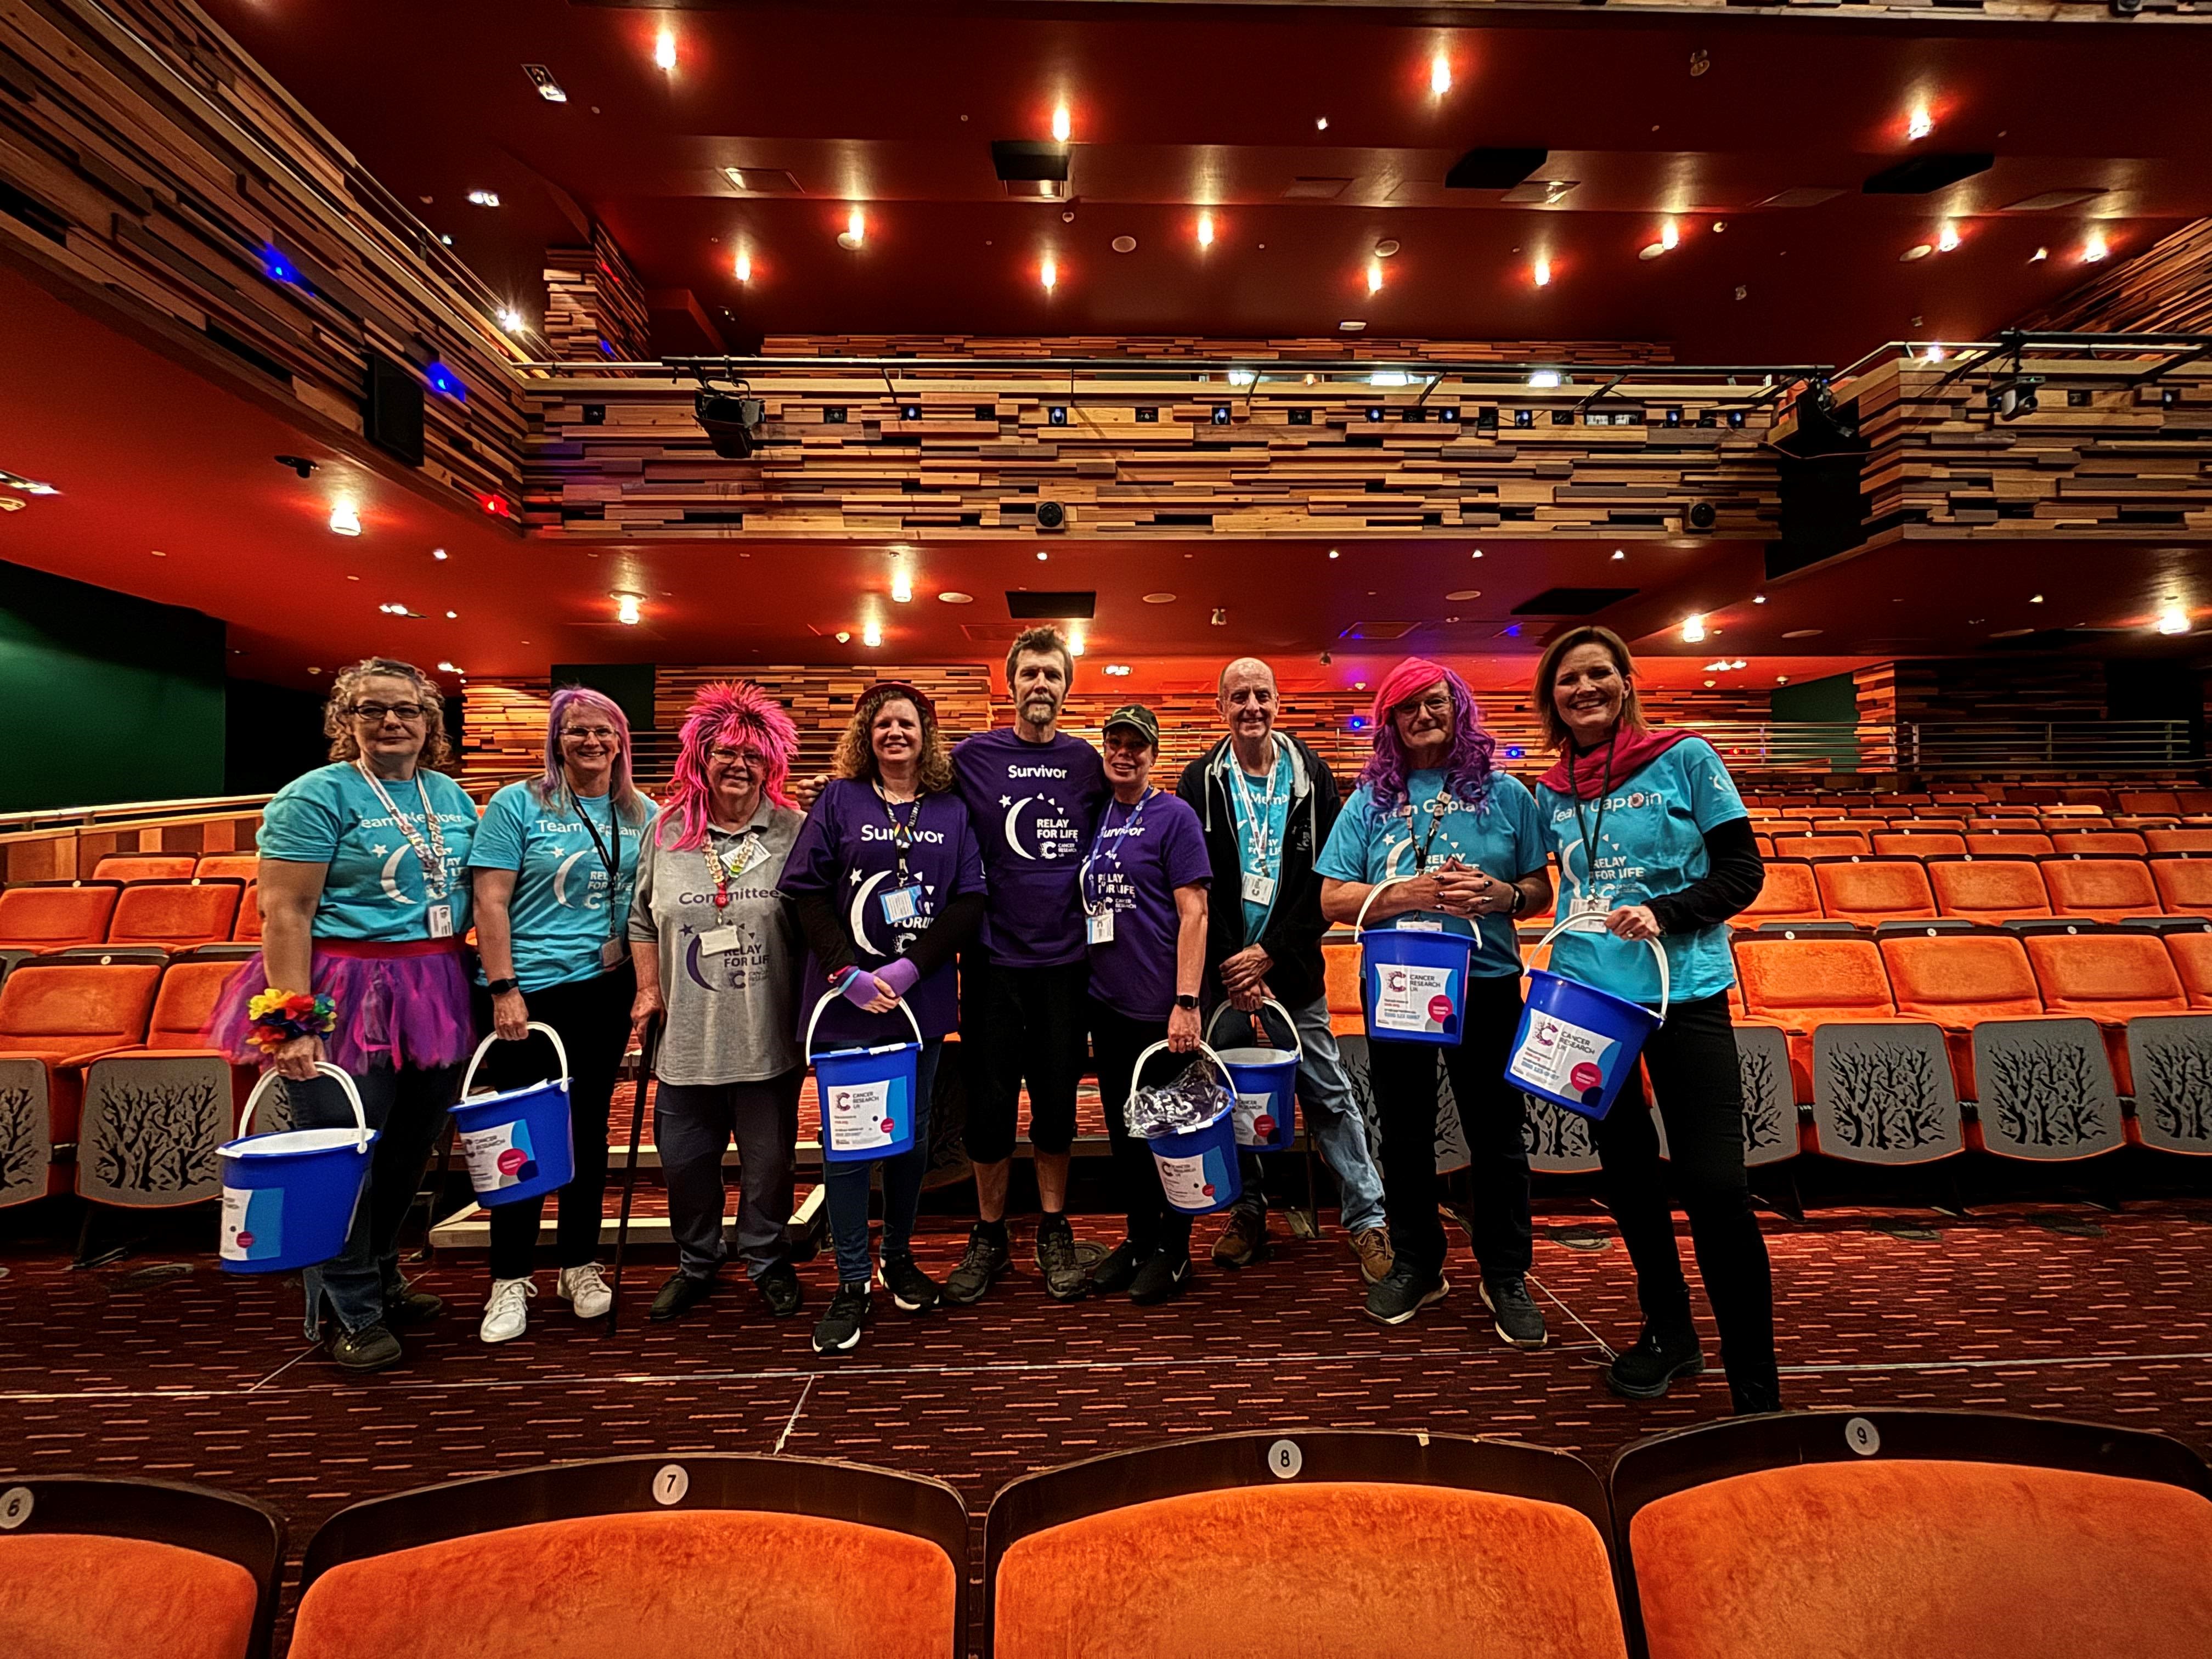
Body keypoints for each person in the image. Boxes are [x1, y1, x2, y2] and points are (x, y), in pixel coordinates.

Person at [207, 657, 478, 1373]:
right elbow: (285, 913)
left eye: (407, 710)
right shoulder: (313, 796)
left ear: (430, 725)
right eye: (372, 709)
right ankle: (344, 1308)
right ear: (345, 722)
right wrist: (292, 1024)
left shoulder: (450, 797)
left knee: (406, 1152)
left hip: (437, 983)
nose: (392, 722)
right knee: (340, 1155)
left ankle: (382, 1272)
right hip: (345, 988)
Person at [1532, 625, 1778, 1414]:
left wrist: (1665, 911)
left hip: (1685, 992)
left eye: (1599, 673)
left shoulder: (1686, 758)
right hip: (1589, 1003)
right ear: (1552, 699)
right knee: (1631, 1182)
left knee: (1715, 1186)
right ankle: (1670, 1333)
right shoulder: (1551, 789)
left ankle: (1755, 1383)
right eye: (1568, 680)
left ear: (1627, 682)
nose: (1585, 689)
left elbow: (1744, 872)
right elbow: (1551, 889)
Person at [1316, 658, 1552, 1342]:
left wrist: (1504, 896)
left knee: (1497, 1136)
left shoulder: (1508, 795)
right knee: (1406, 1133)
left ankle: (1505, 1273)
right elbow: (1332, 898)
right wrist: (1402, 896)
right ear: (1389, 722)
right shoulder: (1368, 801)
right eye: (1408, 707)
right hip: (1400, 988)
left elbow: (1541, 892)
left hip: (1487, 983)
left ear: (1460, 709)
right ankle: (1418, 1261)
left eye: (1436, 703)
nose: (1424, 716)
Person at [782, 682, 986, 1355]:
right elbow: (807, 892)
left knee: (914, 1135)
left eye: (907, 724)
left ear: (926, 736)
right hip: (846, 1005)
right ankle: (849, 1282)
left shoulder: (952, 812)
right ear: (866, 736)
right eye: (883, 725)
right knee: (848, 1144)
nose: (895, 734)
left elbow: (966, 901)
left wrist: (907, 971)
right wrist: (849, 972)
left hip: (917, 1003)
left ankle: (896, 1258)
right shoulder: (839, 801)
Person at [1177, 657, 1391, 1288]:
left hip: (1293, 972)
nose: (1251, 706)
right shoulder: (1200, 781)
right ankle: (1248, 1215)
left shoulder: (1312, 775)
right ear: (1221, 706)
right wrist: (1233, 967)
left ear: (1278, 702)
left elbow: (1326, 883)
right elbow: (1196, 886)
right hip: (1226, 978)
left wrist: (1270, 952)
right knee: (1232, 1100)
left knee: (1328, 1094)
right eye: (1238, 695)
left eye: (1262, 695)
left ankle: (1368, 1217)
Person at [467, 687, 654, 1344]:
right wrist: (503, 987)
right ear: (556, 739)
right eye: (576, 731)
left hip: (604, 991)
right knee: (522, 1136)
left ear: (621, 740)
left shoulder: (643, 814)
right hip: (532, 994)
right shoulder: (519, 805)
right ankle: (509, 1277)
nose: (591, 742)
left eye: (604, 731)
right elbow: (490, 902)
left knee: (587, 1132)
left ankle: (579, 1263)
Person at [628, 681, 808, 1323]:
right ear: (700, 757)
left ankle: (767, 1259)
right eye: (725, 753)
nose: (738, 765)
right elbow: (643, 922)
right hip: (685, 1043)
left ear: (772, 763)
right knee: (685, 1167)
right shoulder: (666, 831)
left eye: (753, 755)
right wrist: (648, 988)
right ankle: (697, 1263)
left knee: (768, 1169)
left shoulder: (793, 830)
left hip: (768, 1039)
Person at [945, 626, 1108, 1303]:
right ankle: (988, 1236)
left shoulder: (1088, 763)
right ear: (1009, 685)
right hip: (990, 965)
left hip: (1067, 968)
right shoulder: (969, 758)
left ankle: (1051, 1225)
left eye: (1053, 675)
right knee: (987, 1110)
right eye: (1030, 674)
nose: (1041, 684)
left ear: (1068, 688)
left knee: (1056, 1108)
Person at [1082, 705, 1214, 1304]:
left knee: (1169, 1131)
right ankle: (1138, 1238)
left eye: (1137, 745)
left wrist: (1186, 1001)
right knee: (1125, 1131)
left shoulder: (1175, 816)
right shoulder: (1098, 815)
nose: (1124, 753)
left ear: (1154, 754)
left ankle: (1174, 1248)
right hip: (1108, 1005)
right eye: (1115, 742)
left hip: (1164, 1010)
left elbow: (1195, 912)